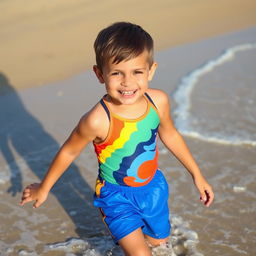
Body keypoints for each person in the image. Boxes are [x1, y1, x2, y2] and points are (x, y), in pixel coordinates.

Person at [20, 22, 214, 256]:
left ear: (151, 71)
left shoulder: (158, 102)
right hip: (116, 196)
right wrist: (44, 187)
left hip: (153, 188)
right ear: (100, 74)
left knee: (159, 243)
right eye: (116, 73)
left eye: (137, 72)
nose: (127, 82)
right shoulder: (98, 120)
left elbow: (170, 134)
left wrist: (197, 175)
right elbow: (69, 151)